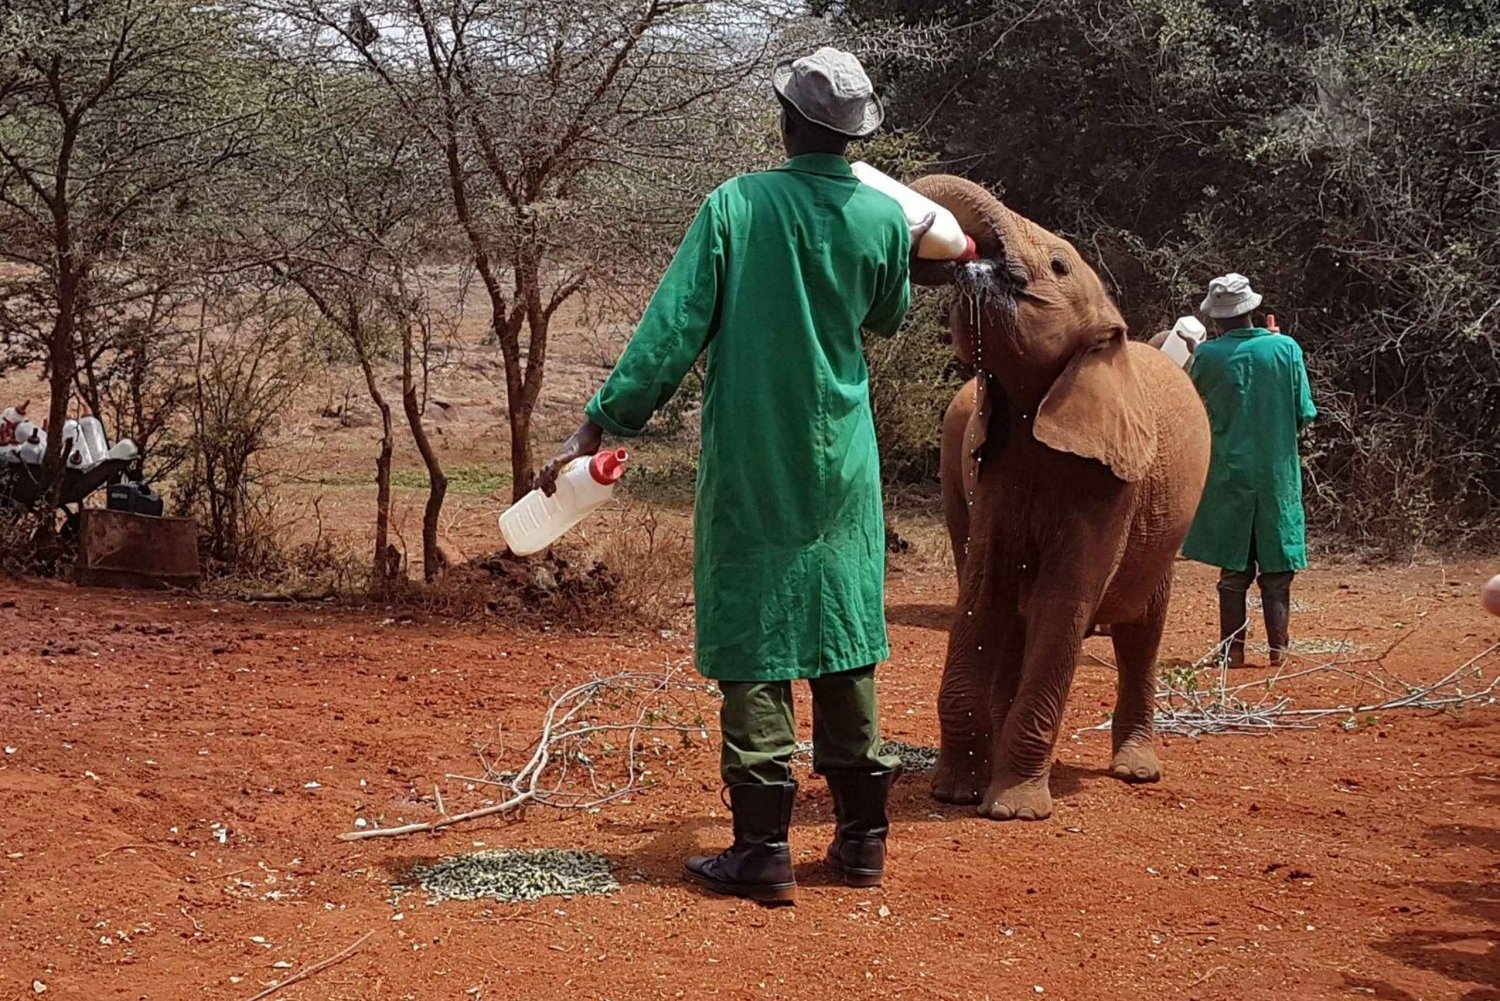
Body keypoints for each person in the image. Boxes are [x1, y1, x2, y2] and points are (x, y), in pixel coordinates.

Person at [537, 48, 930, 904]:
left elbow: (672, 330)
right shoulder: (881, 219)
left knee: (758, 638)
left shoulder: (737, 207)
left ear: (786, 123)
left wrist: (601, 420)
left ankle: (762, 851)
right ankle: (862, 841)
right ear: (854, 135)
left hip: (756, 456)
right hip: (846, 463)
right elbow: (891, 313)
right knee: (844, 630)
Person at [1182, 273, 1317, 667]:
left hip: (1229, 475)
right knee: (1277, 568)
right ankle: (1278, 651)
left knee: (1234, 568)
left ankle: (1232, 651)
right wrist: (1276, 346)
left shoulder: (1207, 356)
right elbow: (1303, 413)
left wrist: (1198, 353)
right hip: (1277, 475)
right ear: (1253, 310)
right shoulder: (1286, 348)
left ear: (1216, 319)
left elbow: (1193, 404)